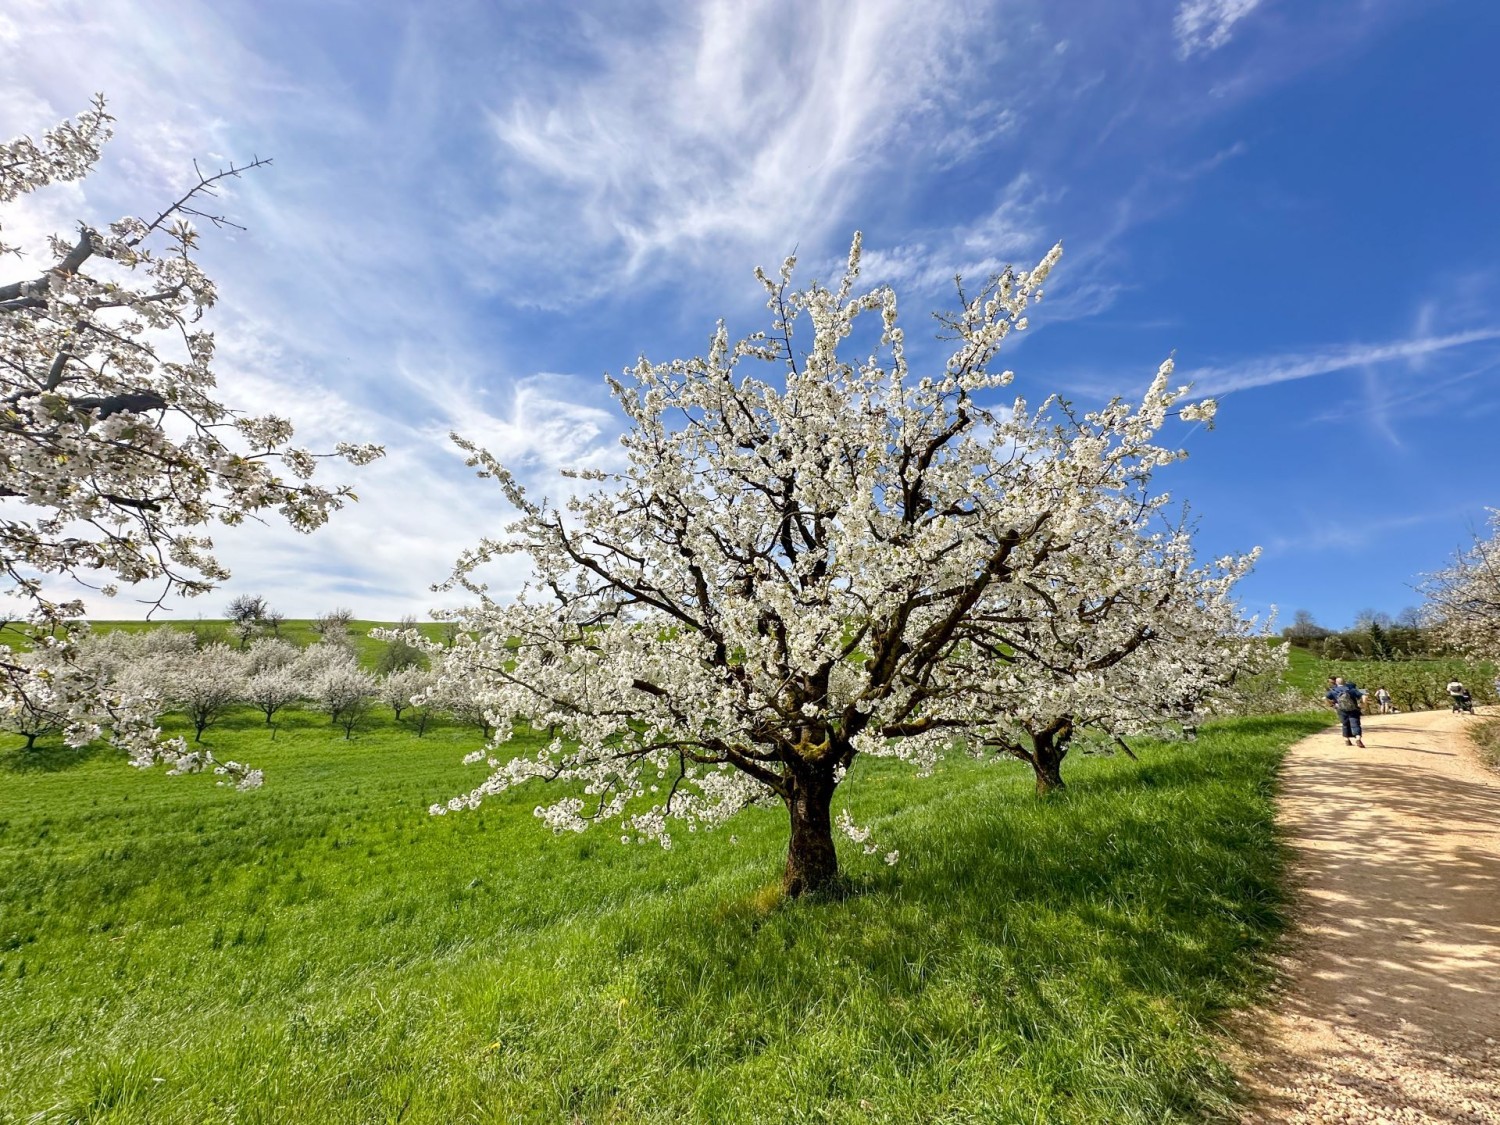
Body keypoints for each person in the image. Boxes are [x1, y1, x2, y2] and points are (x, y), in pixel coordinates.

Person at [1326, 676, 1365, 747]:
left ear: (1336, 683)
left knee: (1345, 725)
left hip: (1341, 710)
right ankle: (1358, 739)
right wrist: (1362, 705)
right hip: (1353, 709)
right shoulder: (1351, 689)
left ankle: (1347, 740)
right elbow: (1364, 696)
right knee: (1356, 724)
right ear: (1345, 682)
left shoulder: (1333, 690)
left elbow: (1324, 698)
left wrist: (1331, 705)